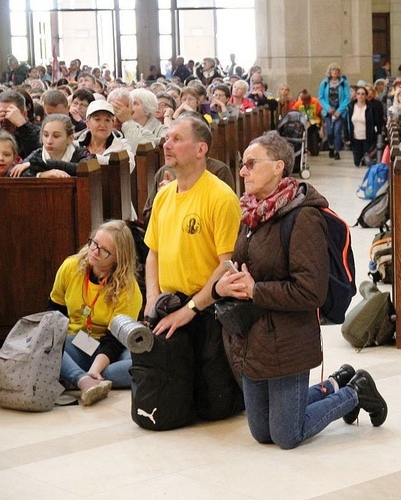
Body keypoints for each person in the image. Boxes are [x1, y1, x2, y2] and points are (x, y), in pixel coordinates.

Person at [215, 131, 387, 449]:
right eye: (243, 165)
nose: (242, 171)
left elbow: (311, 292)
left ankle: (354, 392)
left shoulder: (303, 217)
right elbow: (239, 267)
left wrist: (256, 291)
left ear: (279, 166)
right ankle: (337, 381)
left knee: (286, 435)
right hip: (253, 336)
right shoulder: (251, 213)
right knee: (261, 432)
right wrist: (221, 286)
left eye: (251, 164)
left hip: (288, 339)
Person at [143, 115, 244, 422]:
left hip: (208, 308)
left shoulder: (220, 197)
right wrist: (151, 299)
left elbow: (227, 264)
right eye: (166, 138)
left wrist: (190, 308)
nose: (166, 144)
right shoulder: (163, 195)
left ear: (200, 149)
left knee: (215, 407)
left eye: (176, 139)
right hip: (168, 304)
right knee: (173, 399)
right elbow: (152, 254)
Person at [48, 220, 142, 406]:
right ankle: (83, 380)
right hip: (79, 340)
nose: (94, 251)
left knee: (139, 363)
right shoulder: (70, 267)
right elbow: (54, 314)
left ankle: (81, 375)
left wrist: (96, 369)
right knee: (49, 342)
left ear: (118, 258)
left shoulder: (129, 289)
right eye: (94, 243)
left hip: (112, 348)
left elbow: (113, 341)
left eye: (104, 250)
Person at [9, 114, 89, 178]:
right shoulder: (37, 154)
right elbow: (15, 173)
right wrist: (42, 175)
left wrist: (41, 165)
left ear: (70, 138)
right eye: (46, 135)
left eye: (56, 136)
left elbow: (90, 168)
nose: (49, 141)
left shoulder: (82, 153)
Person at [74, 100, 135, 175]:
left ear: (112, 123)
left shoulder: (122, 145)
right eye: (97, 119)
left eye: (107, 120)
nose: (102, 125)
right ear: (87, 122)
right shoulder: (75, 144)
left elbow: (128, 166)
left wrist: (94, 158)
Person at [318, 62, 351, 160]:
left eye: (336, 70)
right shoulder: (324, 83)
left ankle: (337, 151)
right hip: (328, 111)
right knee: (330, 132)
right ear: (330, 72)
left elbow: (347, 98)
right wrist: (327, 107)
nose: (335, 72)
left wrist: (340, 110)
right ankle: (331, 146)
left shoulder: (344, 83)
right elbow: (320, 97)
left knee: (337, 131)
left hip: (339, 111)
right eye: (333, 70)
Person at [0, 89, 41, 159]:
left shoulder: (36, 133)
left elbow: (37, 158)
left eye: (10, 113)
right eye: (2, 113)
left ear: (24, 114)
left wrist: (23, 126)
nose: (5, 119)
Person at [347, 86, 383, 167]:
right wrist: (346, 137)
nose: (360, 96)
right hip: (355, 137)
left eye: (363, 94)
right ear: (356, 95)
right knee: (357, 162)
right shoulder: (351, 106)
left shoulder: (371, 108)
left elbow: (377, 122)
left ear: (366, 96)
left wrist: (378, 134)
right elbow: (347, 122)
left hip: (367, 137)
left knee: (367, 162)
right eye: (358, 94)